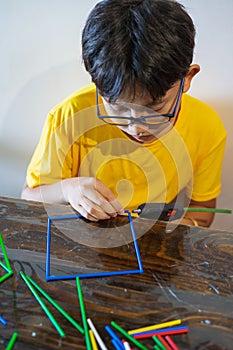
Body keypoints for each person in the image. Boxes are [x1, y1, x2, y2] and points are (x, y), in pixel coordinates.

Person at [21, 0, 226, 227]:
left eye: (155, 109)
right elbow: (29, 197)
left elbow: (204, 212)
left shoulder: (206, 126)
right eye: (117, 108)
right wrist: (68, 189)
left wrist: (184, 224)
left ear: (186, 79)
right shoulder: (70, 116)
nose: (137, 127)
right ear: (97, 83)